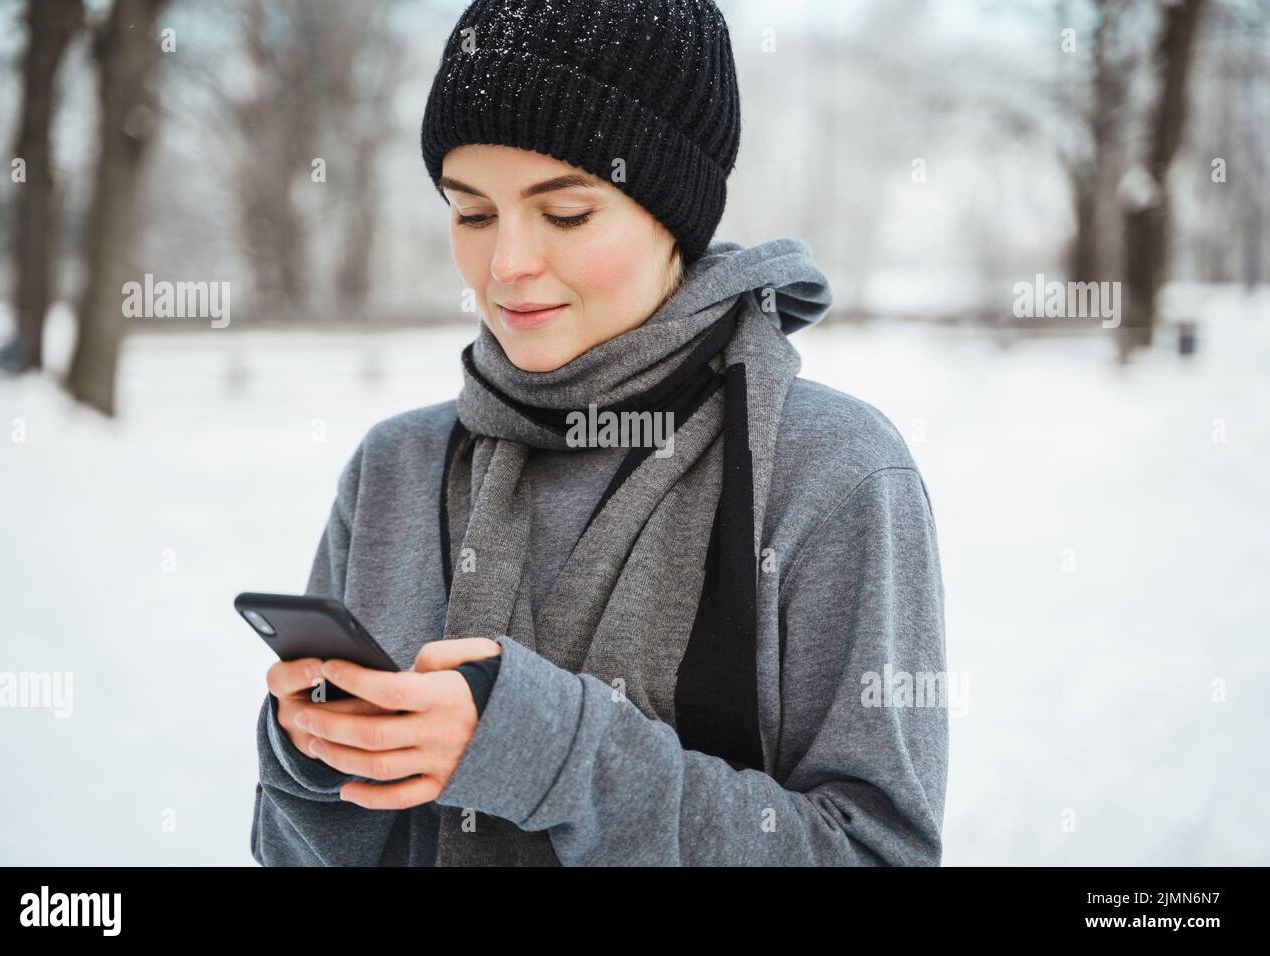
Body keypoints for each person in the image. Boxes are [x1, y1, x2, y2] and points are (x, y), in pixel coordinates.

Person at [251, 0, 948, 867]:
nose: (506, 265)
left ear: (674, 217)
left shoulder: (831, 471)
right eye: (472, 214)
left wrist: (542, 748)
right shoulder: (395, 468)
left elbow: (874, 855)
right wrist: (318, 759)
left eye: (566, 214)